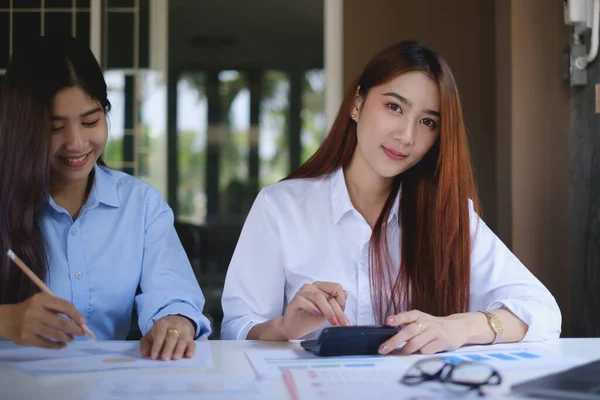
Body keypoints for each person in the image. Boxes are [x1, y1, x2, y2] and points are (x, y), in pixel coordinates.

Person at [221, 40, 561, 354]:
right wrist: (284, 327)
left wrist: (461, 327)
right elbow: (235, 330)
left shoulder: (449, 215)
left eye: (427, 121)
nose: (407, 136)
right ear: (357, 103)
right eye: (394, 107)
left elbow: (544, 312)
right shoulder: (280, 207)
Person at [0, 36, 211, 361]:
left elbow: (173, 293)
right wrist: (8, 321)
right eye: (56, 127)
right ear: (23, 128)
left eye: (91, 121)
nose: (76, 142)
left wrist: (175, 322)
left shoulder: (140, 205)